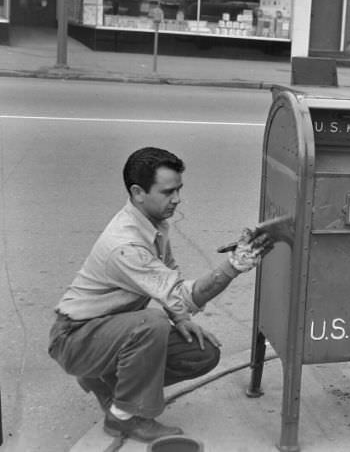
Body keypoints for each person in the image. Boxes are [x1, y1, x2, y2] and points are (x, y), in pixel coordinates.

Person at [48, 147, 277, 443]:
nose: (177, 199)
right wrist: (232, 266)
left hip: (108, 329)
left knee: (201, 353)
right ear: (138, 192)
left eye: (179, 189)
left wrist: (180, 318)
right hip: (74, 337)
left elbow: (170, 277)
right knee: (151, 323)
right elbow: (179, 295)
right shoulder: (126, 244)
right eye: (168, 191)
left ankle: (106, 377)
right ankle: (123, 418)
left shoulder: (153, 223)